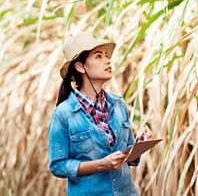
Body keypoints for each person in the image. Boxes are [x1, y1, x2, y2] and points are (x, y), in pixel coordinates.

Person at [48, 32, 152, 195]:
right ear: (80, 66)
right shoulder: (63, 114)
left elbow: (129, 159)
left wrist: (138, 145)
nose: (107, 60)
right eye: (98, 56)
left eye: (106, 55)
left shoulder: (118, 104)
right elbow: (58, 166)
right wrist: (102, 164)